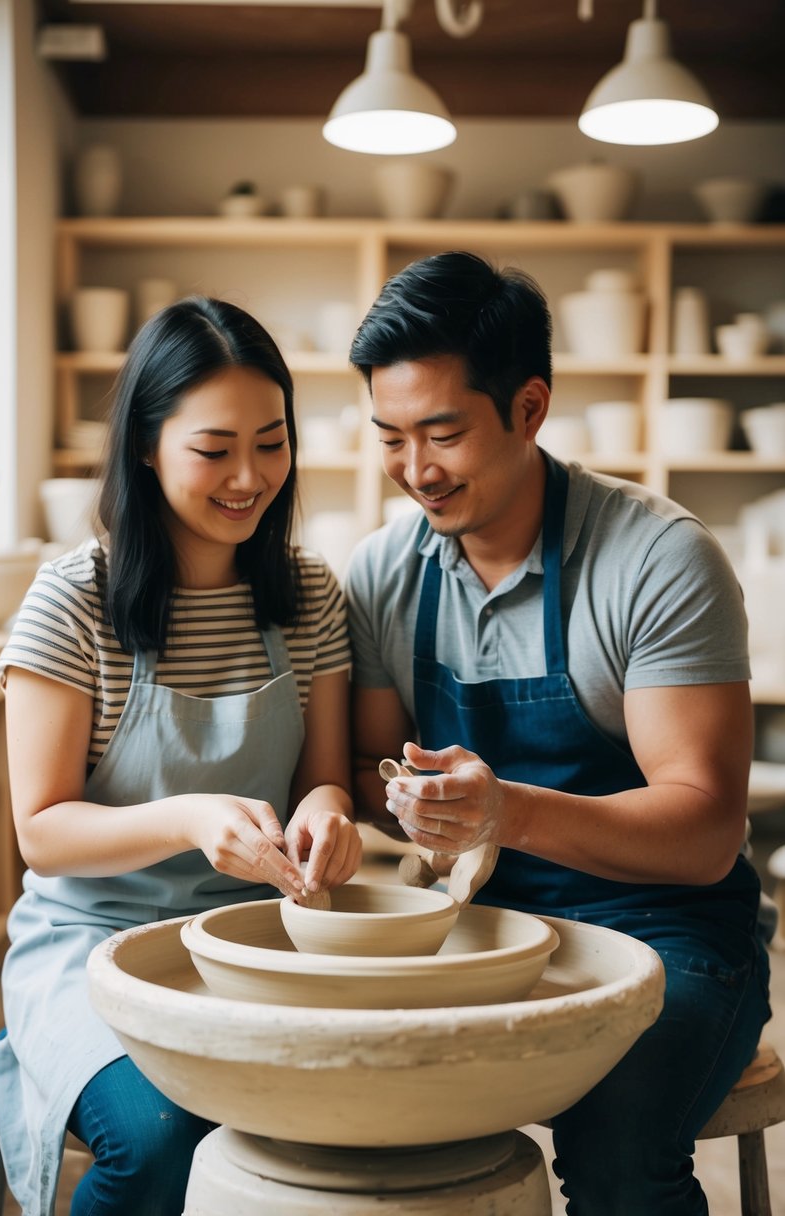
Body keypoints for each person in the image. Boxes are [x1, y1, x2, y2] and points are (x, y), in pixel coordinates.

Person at [344, 250, 771, 1215]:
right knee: (362, 1105)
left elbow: (704, 835)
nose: (415, 471)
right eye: (390, 437)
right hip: (476, 923)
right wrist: (406, 797)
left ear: (529, 408)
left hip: (671, 931)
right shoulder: (381, 570)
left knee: (615, 1147)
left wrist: (506, 812)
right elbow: (364, 770)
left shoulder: (657, 559)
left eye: (442, 433)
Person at [0, 296, 362, 1216]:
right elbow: (41, 833)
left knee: (370, 1119)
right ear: (146, 447)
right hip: (88, 950)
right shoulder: (71, 602)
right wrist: (193, 817)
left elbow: (325, 776)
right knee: (160, 1138)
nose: (249, 476)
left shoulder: (308, 592)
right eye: (214, 449)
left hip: (254, 943)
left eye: (271, 443)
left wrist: (328, 815)